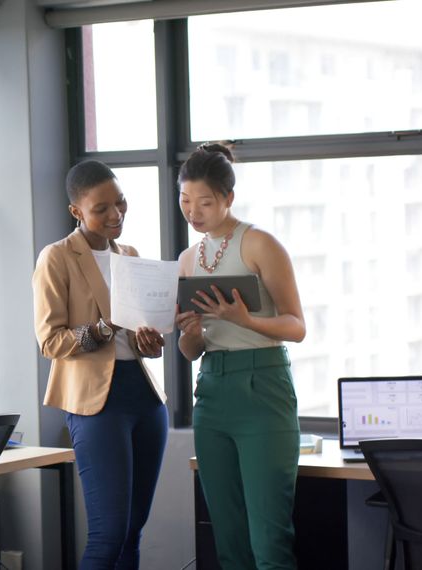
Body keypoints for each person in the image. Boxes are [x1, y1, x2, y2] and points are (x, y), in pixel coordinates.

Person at [175, 142, 306, 570]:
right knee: (228, 540)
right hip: (212, 391)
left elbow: (296, 326)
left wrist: (245, 319)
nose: (193, 212)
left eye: (205, 202)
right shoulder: (187, 259)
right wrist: (191, 333)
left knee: (269, 540)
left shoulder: (259, 243)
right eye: (185, 200)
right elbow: (190, 351)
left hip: (262, 389)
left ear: (228, 198)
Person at [32, 159, 169, 570]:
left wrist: (148, 340)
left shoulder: (130, 254)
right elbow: (50, 340)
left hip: (145, 398)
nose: (116, 215)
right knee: (108, 533)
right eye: (102, 209)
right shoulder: (57, 258)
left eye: (121, 204)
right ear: (77, 212)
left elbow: (141, 338)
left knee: (132, 532)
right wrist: (103, 330)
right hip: (96, 404)